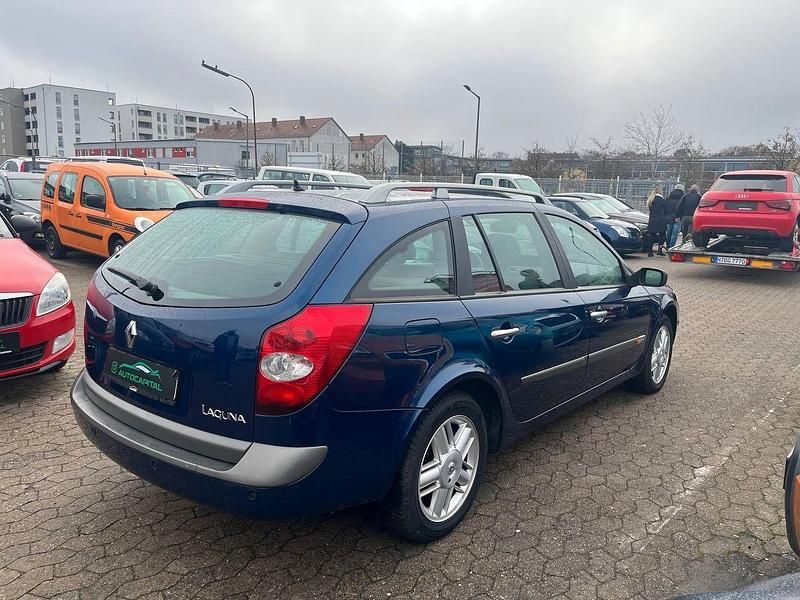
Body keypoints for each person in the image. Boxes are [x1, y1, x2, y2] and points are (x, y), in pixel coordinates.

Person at [645, 186, 667, 256]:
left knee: (652, 236)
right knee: (662, 235)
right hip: (661, 220)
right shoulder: (662, 200)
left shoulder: (650, 201)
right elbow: (666, 209)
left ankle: (650, 252)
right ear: (660, 192)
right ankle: (659, 250)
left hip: (652, 220)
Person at [664, 183, 684, 248]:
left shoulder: (669, 197)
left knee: (669, 232)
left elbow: (665, 207)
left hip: (669, 217)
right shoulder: (683, 197)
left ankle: (667, 245)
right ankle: (671, 246)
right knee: (674, 234)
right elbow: (682, 208)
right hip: (678, 217)